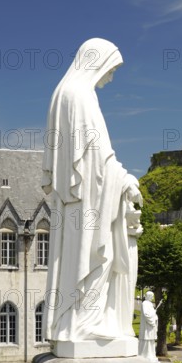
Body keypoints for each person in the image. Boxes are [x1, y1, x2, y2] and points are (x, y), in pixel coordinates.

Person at [42, 38, 143, 345]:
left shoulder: (63, 93)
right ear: (96, 62)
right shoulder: (81, 95)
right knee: (99, 256)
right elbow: (99, 156)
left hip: (76, 200)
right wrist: (126, 180)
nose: (110, 78)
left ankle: (72, 322)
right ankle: (87, 323)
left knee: (75, 259)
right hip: (89, 201)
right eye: (110, 69)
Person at [138, 291, 158, 363]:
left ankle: (151, 355)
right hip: (147, 326)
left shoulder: (149, 304)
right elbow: (146, 314)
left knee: (151, 341)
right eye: (151, 296)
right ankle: (145, 355)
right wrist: (153, 314)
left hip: (150, 327)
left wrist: (155, 316)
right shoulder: (145, 303)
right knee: (146, 340)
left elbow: (151, 314)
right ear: (148, 296)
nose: (152, 298)